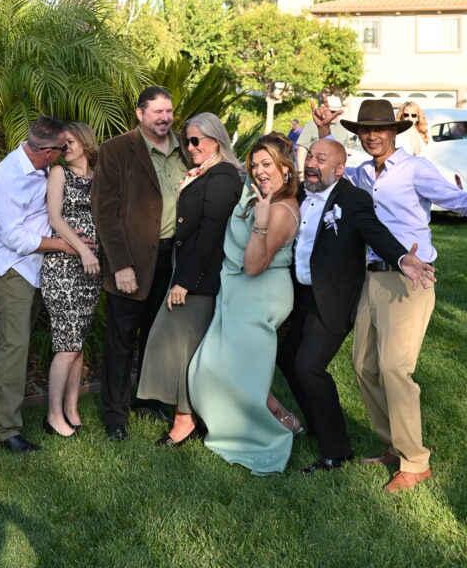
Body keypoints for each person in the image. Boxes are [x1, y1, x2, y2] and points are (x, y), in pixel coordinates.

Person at [313, 97, 467, 492]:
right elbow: (329, 173)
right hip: (371, 279)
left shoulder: (415, 169)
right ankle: (395, 445)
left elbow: (457, 199)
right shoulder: (361, 174)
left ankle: (416, 462)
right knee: (363, 366)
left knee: (394, 369)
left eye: (379, 129)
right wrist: (323, 131)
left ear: (393, 132)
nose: (372, 136)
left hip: (410, 279)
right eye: (365, 130)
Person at [276, 138, 435, 476]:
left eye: (321, 159)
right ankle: (319, 423)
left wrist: (401, 257)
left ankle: (336, 453)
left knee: (309, 367)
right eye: (310, 156)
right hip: (297, 294)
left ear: (339, 170)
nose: (312, 163)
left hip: (332, 299)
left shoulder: (352, 199)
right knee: (285, 354)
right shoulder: (299, 194)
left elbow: (373, 231)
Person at [187, 136, 300, 475]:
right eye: (255, 164)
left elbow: (253, 266)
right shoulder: (257, 196)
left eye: (268, 164)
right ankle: (283, 419)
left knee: (236, 373)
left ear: (285, 168)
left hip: (260, 295)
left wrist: (261, 224)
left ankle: (267, 436)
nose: (259, 171)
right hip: (236, 292)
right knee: (215, 369)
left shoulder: (280, 209)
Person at [0, 116, 91, 454]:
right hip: (14, 268)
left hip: (35, 268)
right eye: (62, 147)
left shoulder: (42, 167)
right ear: (46, 151)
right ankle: (6, 430)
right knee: (15, 347)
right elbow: (14, 238)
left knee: (9, 346)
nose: (65, 151)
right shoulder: (7, 178)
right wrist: (64, 245)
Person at [136, 113, 243, 446]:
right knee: (178, 347)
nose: (190, 146)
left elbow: (211, 233)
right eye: (187, 140)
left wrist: (186, 280)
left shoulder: (223, 175)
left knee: (180, 348)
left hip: (200, 280)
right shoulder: (204, 172)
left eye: (197, 140)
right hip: (186, 273)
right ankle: (189, 416)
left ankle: (185, 420)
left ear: (217, 140)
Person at [92, 86, 187, 441]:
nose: (165, 118)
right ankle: (115, 415)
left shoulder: (185, 148)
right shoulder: (116, 149)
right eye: (157, 112)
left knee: (157, 336)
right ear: (140, 113)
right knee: (121, 341)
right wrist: (120, 264)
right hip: (132, 260)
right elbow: (105, 212)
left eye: (169, 111)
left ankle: (147, 400)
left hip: (173, 258)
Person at [40, 123, 102, 437]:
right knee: (67, 344)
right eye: (62, 144)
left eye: (70, 142)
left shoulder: (99, 177)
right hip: (63, 267)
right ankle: (53, 416)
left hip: (91, 270)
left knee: (78, 343)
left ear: (86, 143)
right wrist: (83, 251)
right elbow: (55, 217)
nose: (65, 148)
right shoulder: (58, 173)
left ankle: (72, 410)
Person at [296, 94, 353, 181]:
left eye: (337, 112)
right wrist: (301, 174)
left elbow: (345, 151)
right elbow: (302, 149)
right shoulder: (312, 125)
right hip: (313, 173)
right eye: (332, 111)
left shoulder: (343, 127)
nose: (334, 115)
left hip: (334, 176)